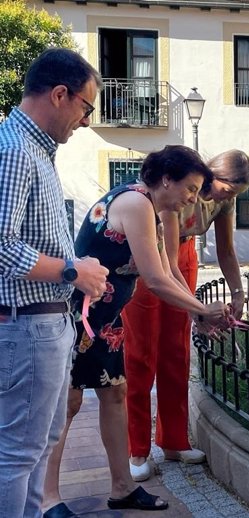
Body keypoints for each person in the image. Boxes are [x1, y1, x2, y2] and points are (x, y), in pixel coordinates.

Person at [41, 145, 232, 517]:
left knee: (115, 395)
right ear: (166, 179)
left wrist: (198, 313)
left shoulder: (153, 210)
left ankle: (122, 488)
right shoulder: (134, 203)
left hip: (105, 321)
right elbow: (156, 280)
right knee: (69, 405)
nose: (193, 199)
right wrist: (203, 310)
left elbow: (172, 272)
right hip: (79, 315)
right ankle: (48, 499)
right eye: (190, 189)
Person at [0, 48, 110, 518]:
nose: (86, 121)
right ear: (60, 94)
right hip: (25, 326)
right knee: (18, 454)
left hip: (42, 325)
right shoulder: (16, 151)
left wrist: (73, 264)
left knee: (38, 445)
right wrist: (72, 271)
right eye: (85, 107)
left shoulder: (34, 150)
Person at [123, 149, 249, 481]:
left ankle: (173, 440)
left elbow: (226, 250)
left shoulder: (224, 202)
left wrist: (237, 293)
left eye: (235, 194)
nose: (228, 196)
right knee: (140, 354)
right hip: (151, 257)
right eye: (227, 188)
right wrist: (197, 309)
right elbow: (163, 266)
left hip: (185, 257)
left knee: (177, 351)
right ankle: (136, 450)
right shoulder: (181, 191)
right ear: (213, 174)